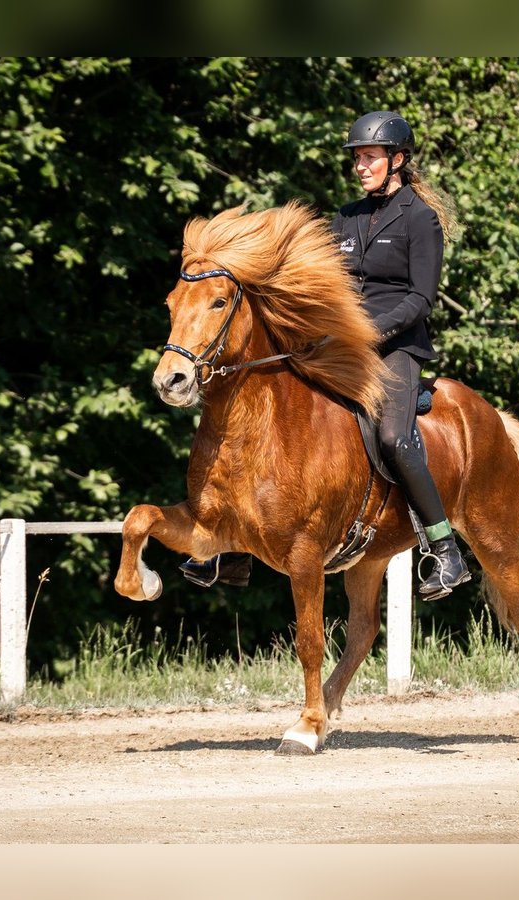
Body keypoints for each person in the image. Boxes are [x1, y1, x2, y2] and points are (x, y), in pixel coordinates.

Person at [180, 110, 469, 600]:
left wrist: (369, 333)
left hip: (394, 346)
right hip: (336, 345)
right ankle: (230, 547)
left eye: (370, 157)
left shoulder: (420, 220)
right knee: (266, 413)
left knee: (396, 436)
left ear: (397, 160)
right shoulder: (347, 217)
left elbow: (421, 297)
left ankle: (444, 551)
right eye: (357, 158)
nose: (361, 165)